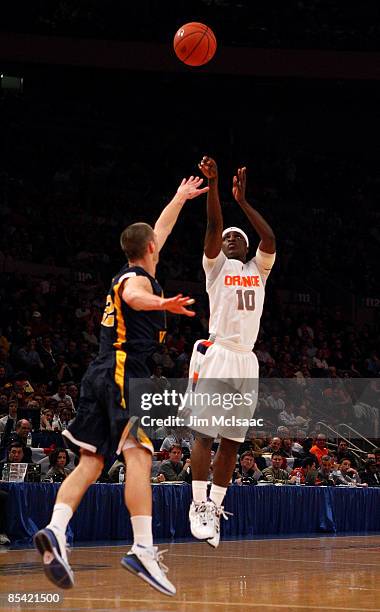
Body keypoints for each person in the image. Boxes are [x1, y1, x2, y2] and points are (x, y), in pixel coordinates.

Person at [34, 175, 208, 596]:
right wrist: (161, 303)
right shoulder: (137, 281)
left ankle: (56, 529)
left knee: (91, 464)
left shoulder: (131, 265)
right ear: (150, 250)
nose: (160, 243)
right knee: (140, 457)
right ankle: (143, 548)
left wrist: (180, 197)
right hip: (124, 373)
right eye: (157, 242)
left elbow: (159, 229)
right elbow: (134, 296)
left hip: (99, 373)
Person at [186, 156, 276, 548]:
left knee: (234, 440)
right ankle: (197, 504)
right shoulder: (216, 268)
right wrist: (218, 185)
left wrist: (244, 203)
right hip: (220, 351)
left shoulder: (259, 268)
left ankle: (216, 509)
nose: (230, 239)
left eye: (236, 237)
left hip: (247, 359)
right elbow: (211, 225)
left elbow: (270, 238)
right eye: (227, 239)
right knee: (205, 434)